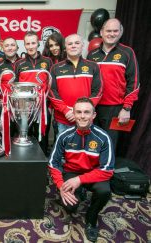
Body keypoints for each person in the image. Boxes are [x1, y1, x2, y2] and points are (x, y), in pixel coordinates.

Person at [48, 97, 114, 242]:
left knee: (104, 191)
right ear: (74, 114)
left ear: (93, 115)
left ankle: (91, 218)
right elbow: (53, 163)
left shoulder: (104, 137)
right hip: (71, 173)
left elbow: (107, 170)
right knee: (70, 207)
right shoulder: (64, 136)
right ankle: (79, 192)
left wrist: (80, 180)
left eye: (86, 112)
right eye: (78, 112)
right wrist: (60, 186)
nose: (82, 116)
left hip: (93, 174)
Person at [87, 18, 139, 151]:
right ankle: (93, 169)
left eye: (115, 31)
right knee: (92, 141)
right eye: (108, 30)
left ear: (120, 32)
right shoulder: (92, 55)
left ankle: (107, 170)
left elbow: (134, 82)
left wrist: (126, 108)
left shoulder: (127, 53)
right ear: (101, 32)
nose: (111, 34)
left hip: (115, 108)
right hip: (93, 106)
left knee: (109, 144)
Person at [49, 34, 102, 135]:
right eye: (70, 44)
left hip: (85, 118)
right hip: (63, 119)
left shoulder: (93, 66)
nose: (73, 46)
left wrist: (84, 110)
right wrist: (65, 110)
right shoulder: (55, 68)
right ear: (65, 47)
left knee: (84, 149)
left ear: (82, 46)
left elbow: (98, 91)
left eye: (77, 43)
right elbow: (52, 92)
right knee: (63, 149)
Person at [14, 31, 53, 155]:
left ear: (38, 44)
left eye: (33, 43)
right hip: (24, 106)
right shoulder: (19, 63)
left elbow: (52, 84)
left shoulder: (48, 61)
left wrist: (50, 104)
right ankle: (26, 161)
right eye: (28, 44)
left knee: (42, 133)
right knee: (25, 133)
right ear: (24, 45)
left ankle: (42, 161)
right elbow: (15, 86)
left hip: (43, 105)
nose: (31, 46)